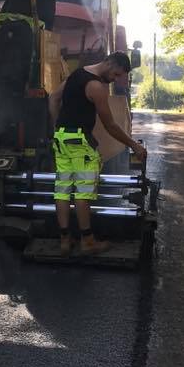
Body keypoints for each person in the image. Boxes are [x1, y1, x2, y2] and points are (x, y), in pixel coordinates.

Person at [48, 52, 148, 256]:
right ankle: (88, 241)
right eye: (116, 74)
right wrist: (133, 145)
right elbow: (110, 125)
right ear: (109, 63)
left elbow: (53, 97)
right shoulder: (96, 87)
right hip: (80, 144)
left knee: (62, 191)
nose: (114, 79)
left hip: (61, 141)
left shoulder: (75, 75)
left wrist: (57, 127)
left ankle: (65, 241)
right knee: (83, 193)